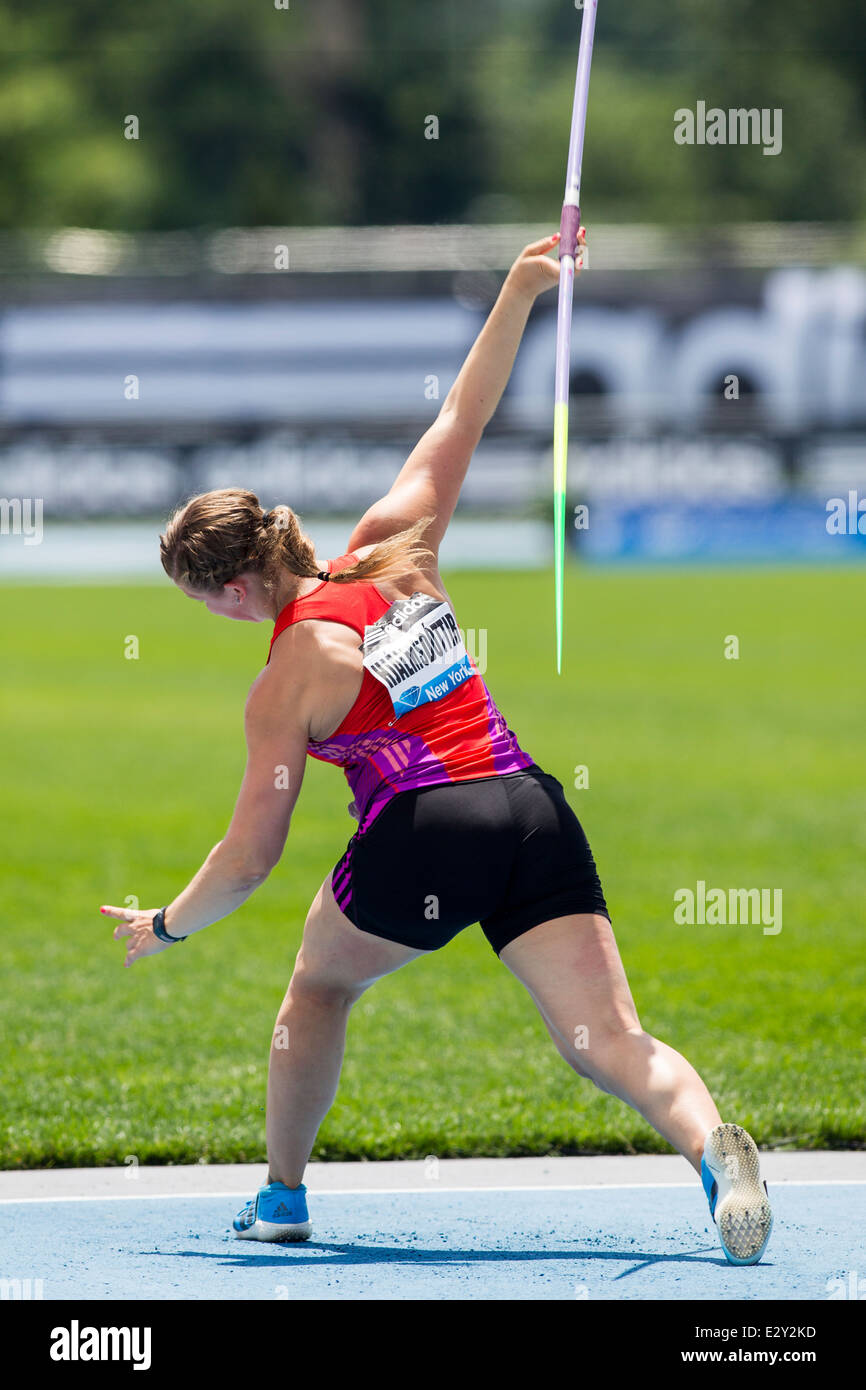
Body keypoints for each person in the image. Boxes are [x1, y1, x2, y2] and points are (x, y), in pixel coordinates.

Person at [100, 231, 773, 1266]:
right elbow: (464, 411)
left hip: (425, 827)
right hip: (530, 806)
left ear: (232, 590)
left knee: (317, 991)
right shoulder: (396, 540)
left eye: (204, 604)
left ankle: (282, 1195)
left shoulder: (286, 676)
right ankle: (711, 1148)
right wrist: (519, 286)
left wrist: (168, 924)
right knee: (609, 1043)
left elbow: (249, 858)